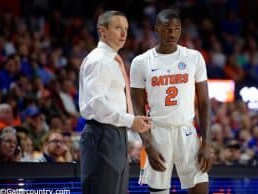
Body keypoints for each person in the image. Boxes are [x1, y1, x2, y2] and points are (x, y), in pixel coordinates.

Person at [130, 9, 213, 194]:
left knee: (201, 188)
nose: (172, 33)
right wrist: (148, 144)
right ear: (156, 30)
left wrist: (207, 143)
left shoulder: (194, 57)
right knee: (159, 191)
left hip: (187, 130)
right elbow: (137, 107)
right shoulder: (141, 62)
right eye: (167, 29)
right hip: (157, 132)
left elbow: (204, 103)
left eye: (177, 29)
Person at [78, 10, 152, 194]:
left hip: (115, 134)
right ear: (103, 31)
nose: (124, 33)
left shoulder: (112, 60)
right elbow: (97, 103)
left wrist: (130, 121)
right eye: (118, 28)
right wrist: (130, 120)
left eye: (126, 28)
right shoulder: (99, 60)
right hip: (102, 134)